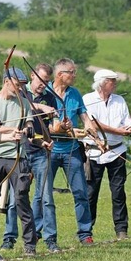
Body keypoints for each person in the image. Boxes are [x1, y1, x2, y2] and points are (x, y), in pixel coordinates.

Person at [3, 63, 55, 251]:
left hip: (40, 152)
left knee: (45, 197)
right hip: (20, 153)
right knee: (14, 200)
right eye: (40, 80)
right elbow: (28, 108)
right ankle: (9, 238)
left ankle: (50, 239)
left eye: (47, 81)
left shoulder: (50, 97)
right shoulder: (20, 94)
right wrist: (42, 106)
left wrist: (50, 136)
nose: (43, 84)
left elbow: (48, 127)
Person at [46, 58, 97, 247]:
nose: (74, 75)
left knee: (81, 192)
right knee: (44, 196)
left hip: (72, 150)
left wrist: (90, 127)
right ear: (60, 74)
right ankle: (41, 234)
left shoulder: (75, 93)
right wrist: (61, 129)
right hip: (49, 150)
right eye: (71, 72)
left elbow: (84, 116)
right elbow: (46, 125)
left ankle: (85, 233)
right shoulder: (45, 93)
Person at [0, 68, 38, 257]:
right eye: (18, 85)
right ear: (7, 81)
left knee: (21, 199)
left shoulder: (24, 102)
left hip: (17, 157)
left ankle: (30, 245)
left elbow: (29, 123)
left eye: (23, 86)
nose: (20, 89)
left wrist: (28, 129)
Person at [82, 69, 131, 240]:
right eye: (112, 81)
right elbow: (93, 124)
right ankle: (87, 231)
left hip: (117, 151)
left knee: (118, 192)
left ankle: (121, 229)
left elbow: (127, 121)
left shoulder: (119, 100)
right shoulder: (88, 99)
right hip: (95, 152)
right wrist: (119, 131)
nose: (115, 83)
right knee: (91, 192)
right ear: (102, 83)